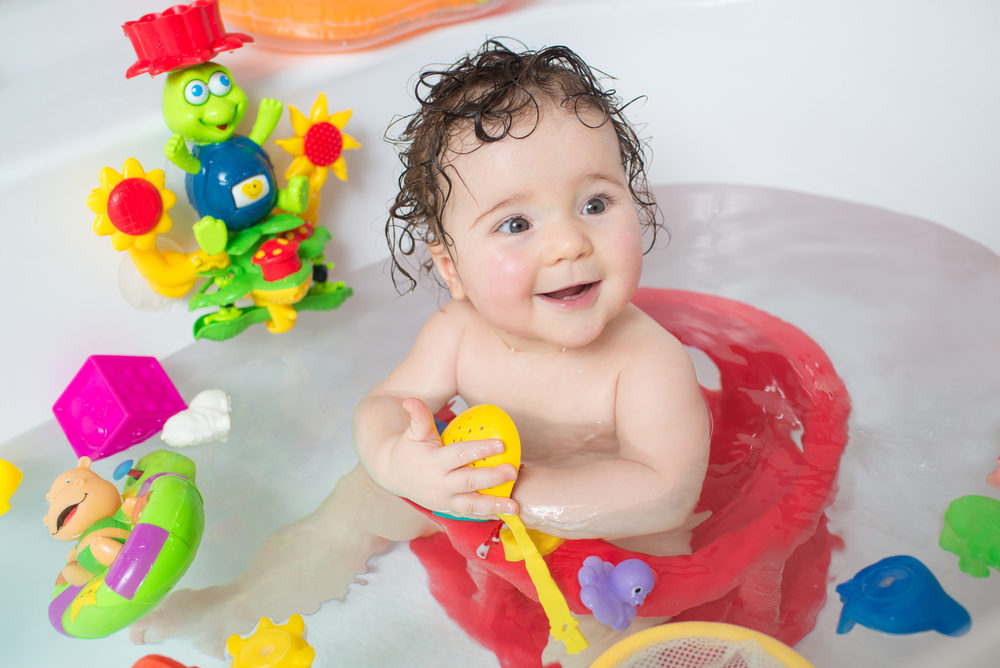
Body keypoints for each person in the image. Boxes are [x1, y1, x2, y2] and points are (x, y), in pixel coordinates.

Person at [131, 40, 711, 661]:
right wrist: (401, 463)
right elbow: (382, 404)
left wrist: (517, 496)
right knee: (361, 493)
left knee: (624, 617)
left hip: (608, 541)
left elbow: (667, 490)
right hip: (484, 501)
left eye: (595, 203)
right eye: (516, 224)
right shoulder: (459, 331)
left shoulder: (649, 361)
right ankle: (248, 600)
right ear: (451, 265)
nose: (569, 242)